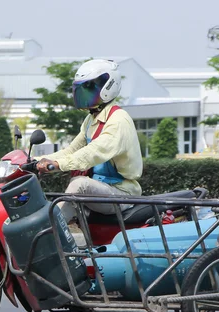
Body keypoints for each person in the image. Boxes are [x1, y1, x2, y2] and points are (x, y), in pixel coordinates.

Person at [36, 59, 143, 222]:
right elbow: (71, 151)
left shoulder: (119, 120)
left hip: (122, 193)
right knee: (75, 187)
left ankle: (50, 232)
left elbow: (93, 153)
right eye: (82, 89)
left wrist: (59, 165)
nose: (85, 95)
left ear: (108, 87)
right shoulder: (90, 120)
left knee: (79, 185)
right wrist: (33, 161)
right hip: (102, 190)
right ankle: (50, 235)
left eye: (90, 88)